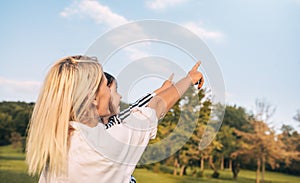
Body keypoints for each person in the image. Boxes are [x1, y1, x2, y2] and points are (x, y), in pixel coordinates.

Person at [26, 55, 204, 183]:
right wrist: (189, 79)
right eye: (104, 84)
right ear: (93, 97)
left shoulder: (59, 139)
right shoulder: (107, 144)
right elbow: (156, 107)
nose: (110, 94)